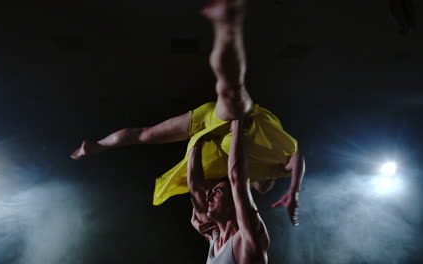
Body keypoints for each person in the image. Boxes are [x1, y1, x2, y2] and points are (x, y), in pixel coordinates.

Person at [71, 0, 305, 225]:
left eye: (259, 185)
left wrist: (201, 209)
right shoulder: (277, 162)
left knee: (145, 134)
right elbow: (297, 160)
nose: (261, 185)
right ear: (268, 179)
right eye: (265, 184)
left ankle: (98, 146)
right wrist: (293, 192)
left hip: (210, 123)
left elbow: (199, 186)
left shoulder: (236, 172)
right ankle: (227, 24)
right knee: (231, 87)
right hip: (240, 119)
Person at [189, 119, 270, 263]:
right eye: (211, 193)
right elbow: (195, 188)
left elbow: (237, 178)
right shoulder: (214, 237)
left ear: (235, 202)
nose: (208, 198)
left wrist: (237, 123)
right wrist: (196, 141)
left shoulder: (248, 239)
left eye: (218, 192)